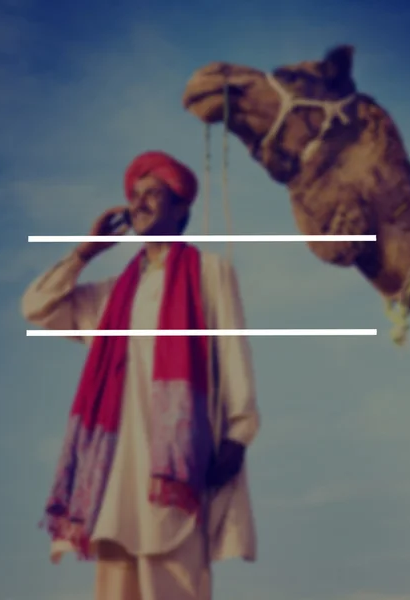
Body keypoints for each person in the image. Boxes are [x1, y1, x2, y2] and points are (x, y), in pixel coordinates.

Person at [21, 150, 260, 600]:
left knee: (175, 586)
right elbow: (37, 307)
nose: (140, 203)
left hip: (178, 471)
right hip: (112, 472)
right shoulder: (110, 298)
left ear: (181, 210)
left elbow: (232, 354)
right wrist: (83, 254)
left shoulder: (210, 274)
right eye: (134, 195)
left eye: (154, 194)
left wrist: (238, 437)